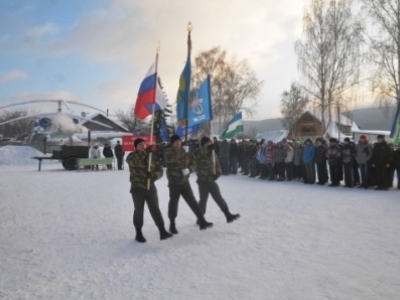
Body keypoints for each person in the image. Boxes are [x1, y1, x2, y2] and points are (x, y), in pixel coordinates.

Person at [126, 138, 172, 243]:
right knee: (139, 211)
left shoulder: (151, 157)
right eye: (140, 144)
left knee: (155, 208)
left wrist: (153, 175)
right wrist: (145, 153)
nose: (143, 146)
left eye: (144, 144)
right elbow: (134, 163)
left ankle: (162, 230)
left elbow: (159, 170)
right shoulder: (132, 156)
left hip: (150, 188)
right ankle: (138, 233)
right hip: (137, 188)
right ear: (136, 146)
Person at [164, 135, 213, 234]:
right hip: (174, 182)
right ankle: (172, 224)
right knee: (174, 203)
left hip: (185, 182)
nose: (179, 143)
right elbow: (170, 159)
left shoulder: (185, 152)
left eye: (179, 141)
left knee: (193, 202)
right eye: (176, 141)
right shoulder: (168, 151)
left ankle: (202, 220)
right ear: (172, 143)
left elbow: (193, 163)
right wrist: (181, 152)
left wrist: (189, 170)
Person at [192, 137, 240, 223]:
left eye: (210, 143)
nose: (209, 144)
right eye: (207, 143)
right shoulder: (198, 151)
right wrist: (207, 149)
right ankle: (200, 218)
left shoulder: (213, 153)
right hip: (202, 181)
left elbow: (217, 164)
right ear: (203, 144)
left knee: (219, 198)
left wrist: (218, 173)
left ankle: (227, 215)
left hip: (211, 180)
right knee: (203, 201)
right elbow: (195, 156)